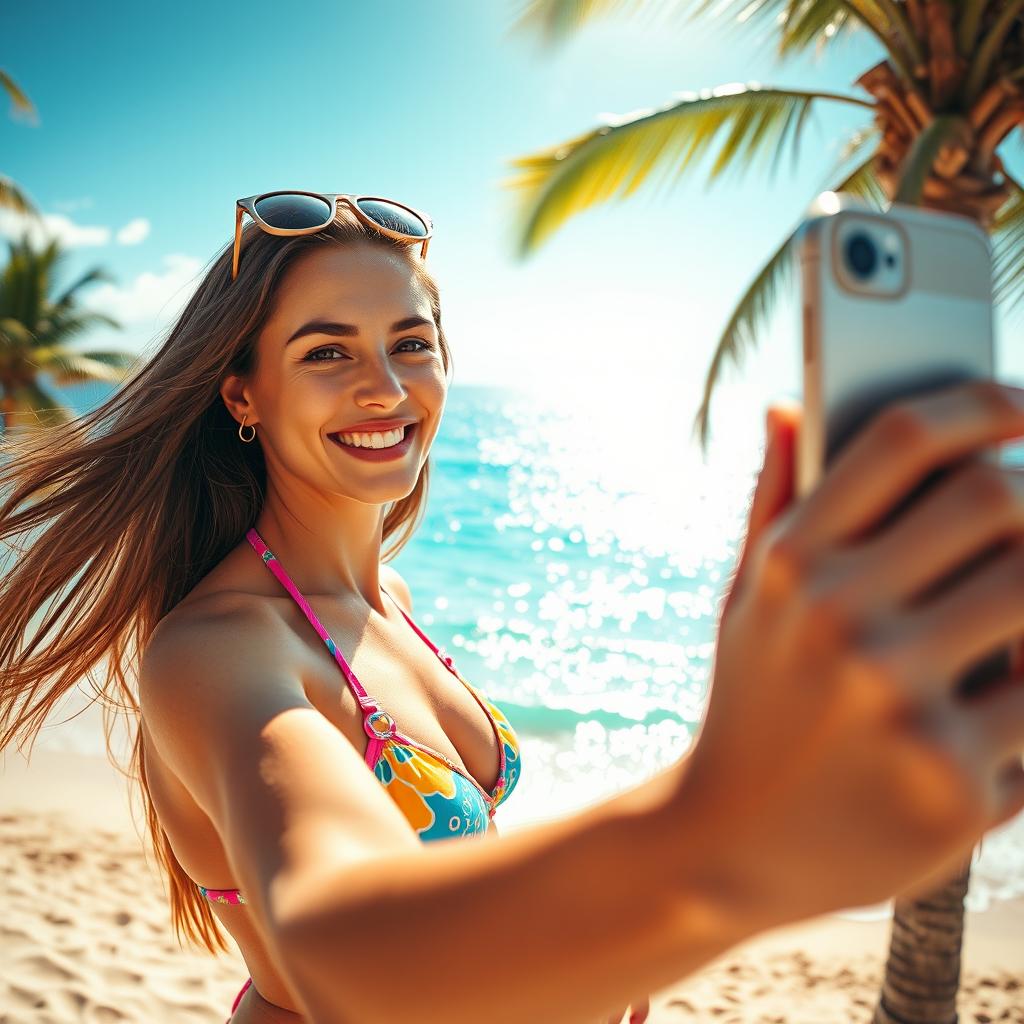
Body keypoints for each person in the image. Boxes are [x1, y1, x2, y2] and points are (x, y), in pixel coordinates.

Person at [1, 192, 1023, 1024]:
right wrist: (715, 838)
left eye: (411, 342)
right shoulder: (218, 651)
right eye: (326, 352)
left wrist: (594, 944)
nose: (385, 387)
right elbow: (337, 943)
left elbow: (449, 882)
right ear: (242, 394)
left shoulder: (384, 600)